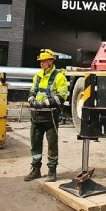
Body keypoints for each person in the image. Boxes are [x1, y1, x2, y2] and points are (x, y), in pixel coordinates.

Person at [24, 48, 69, 182]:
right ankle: (36, 169)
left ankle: (52, 171)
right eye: (40, 61)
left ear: (51, 61)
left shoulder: (59, 76)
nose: (41, 64)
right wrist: (31, 99)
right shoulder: (38, 75)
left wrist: (44, 103)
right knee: (35, 143)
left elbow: (62, 96)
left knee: (52, 145)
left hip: (50, 118)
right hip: (36, 117)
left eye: (43, 61)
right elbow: (32, 91)